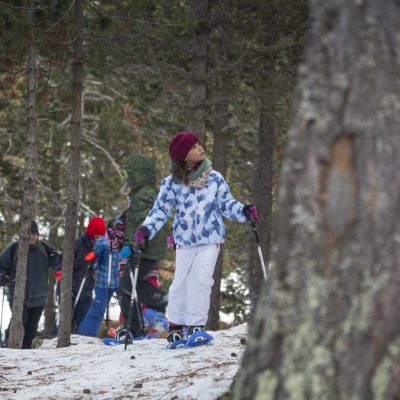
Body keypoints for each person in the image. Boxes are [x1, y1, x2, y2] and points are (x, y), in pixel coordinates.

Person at [135, 131, 257, 344]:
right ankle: (176, 325)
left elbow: (227, 204)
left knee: (201, 279)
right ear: (183, 155)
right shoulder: (172, 183)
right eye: (194, 147)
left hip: (211, 239)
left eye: (199, 145)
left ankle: (195, 326)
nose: (200, 148)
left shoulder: (214, 178)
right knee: (181, 281)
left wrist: (245, 211)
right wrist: (146, 230)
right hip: (184, 241)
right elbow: (160, 211)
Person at [116, 154, 168, 339]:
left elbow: (144, 218)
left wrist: (136, 242)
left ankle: (158, 304)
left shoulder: (145, 194)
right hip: (141, 246)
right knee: (134, 285)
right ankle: (135, 328)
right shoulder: (142, 193)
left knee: (125, 286)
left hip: (144, 247)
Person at [0, 221, 60, 349]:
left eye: (34, 233)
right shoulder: (14, 248)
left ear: (37, 234)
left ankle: (26, 352)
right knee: (18, 323)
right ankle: (7, 346)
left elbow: (59, 261)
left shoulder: (45, 249)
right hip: (17, 296)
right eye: (29, 233)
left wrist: (58, 269)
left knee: (32, 328)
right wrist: (3, 277)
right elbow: (1, 266)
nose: (32, 236)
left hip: (39, 296)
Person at [56, 216, 106, 330]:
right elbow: (60, 259)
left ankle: (80, 346)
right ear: (91, 234)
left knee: (83, 324)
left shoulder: (100, 248)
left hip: (86, 292)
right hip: (68, 291)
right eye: (96, 236)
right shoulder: (77, 245)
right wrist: (60, 273)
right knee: (66, 325)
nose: (98, 239)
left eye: (100, 236)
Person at [77, 218, 124, 337]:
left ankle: (92, 332)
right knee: (98, 308)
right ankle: (85, 332)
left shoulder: (119, 244)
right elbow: (96, 254)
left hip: (115, 281)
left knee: (112, 306)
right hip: (103, 282)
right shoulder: (103, 242)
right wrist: (93, 259)